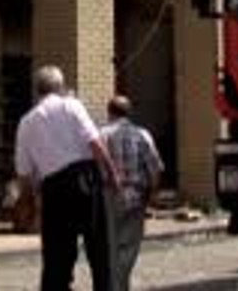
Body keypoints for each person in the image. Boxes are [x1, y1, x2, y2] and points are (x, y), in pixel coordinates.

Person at [15, 65, 120, 291]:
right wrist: (112, 173)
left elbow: (24, 172)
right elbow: (94, 142)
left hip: (54, 188)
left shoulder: (26, 123)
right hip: (86, 179)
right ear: (61, 87)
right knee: (101, 248)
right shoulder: (71, 105)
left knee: (57, 256)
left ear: (37, 90)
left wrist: (29, 202)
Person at [100, 95, 164, 291]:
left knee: (110, 245)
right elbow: (155, 167)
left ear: (109, 112)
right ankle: (120, 284)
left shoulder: (101, 134)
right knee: (129, 247)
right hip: (136, 196)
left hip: (108, 196)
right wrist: (153, 193)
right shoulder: (142, 134)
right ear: (129, 113)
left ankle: (115, 285)